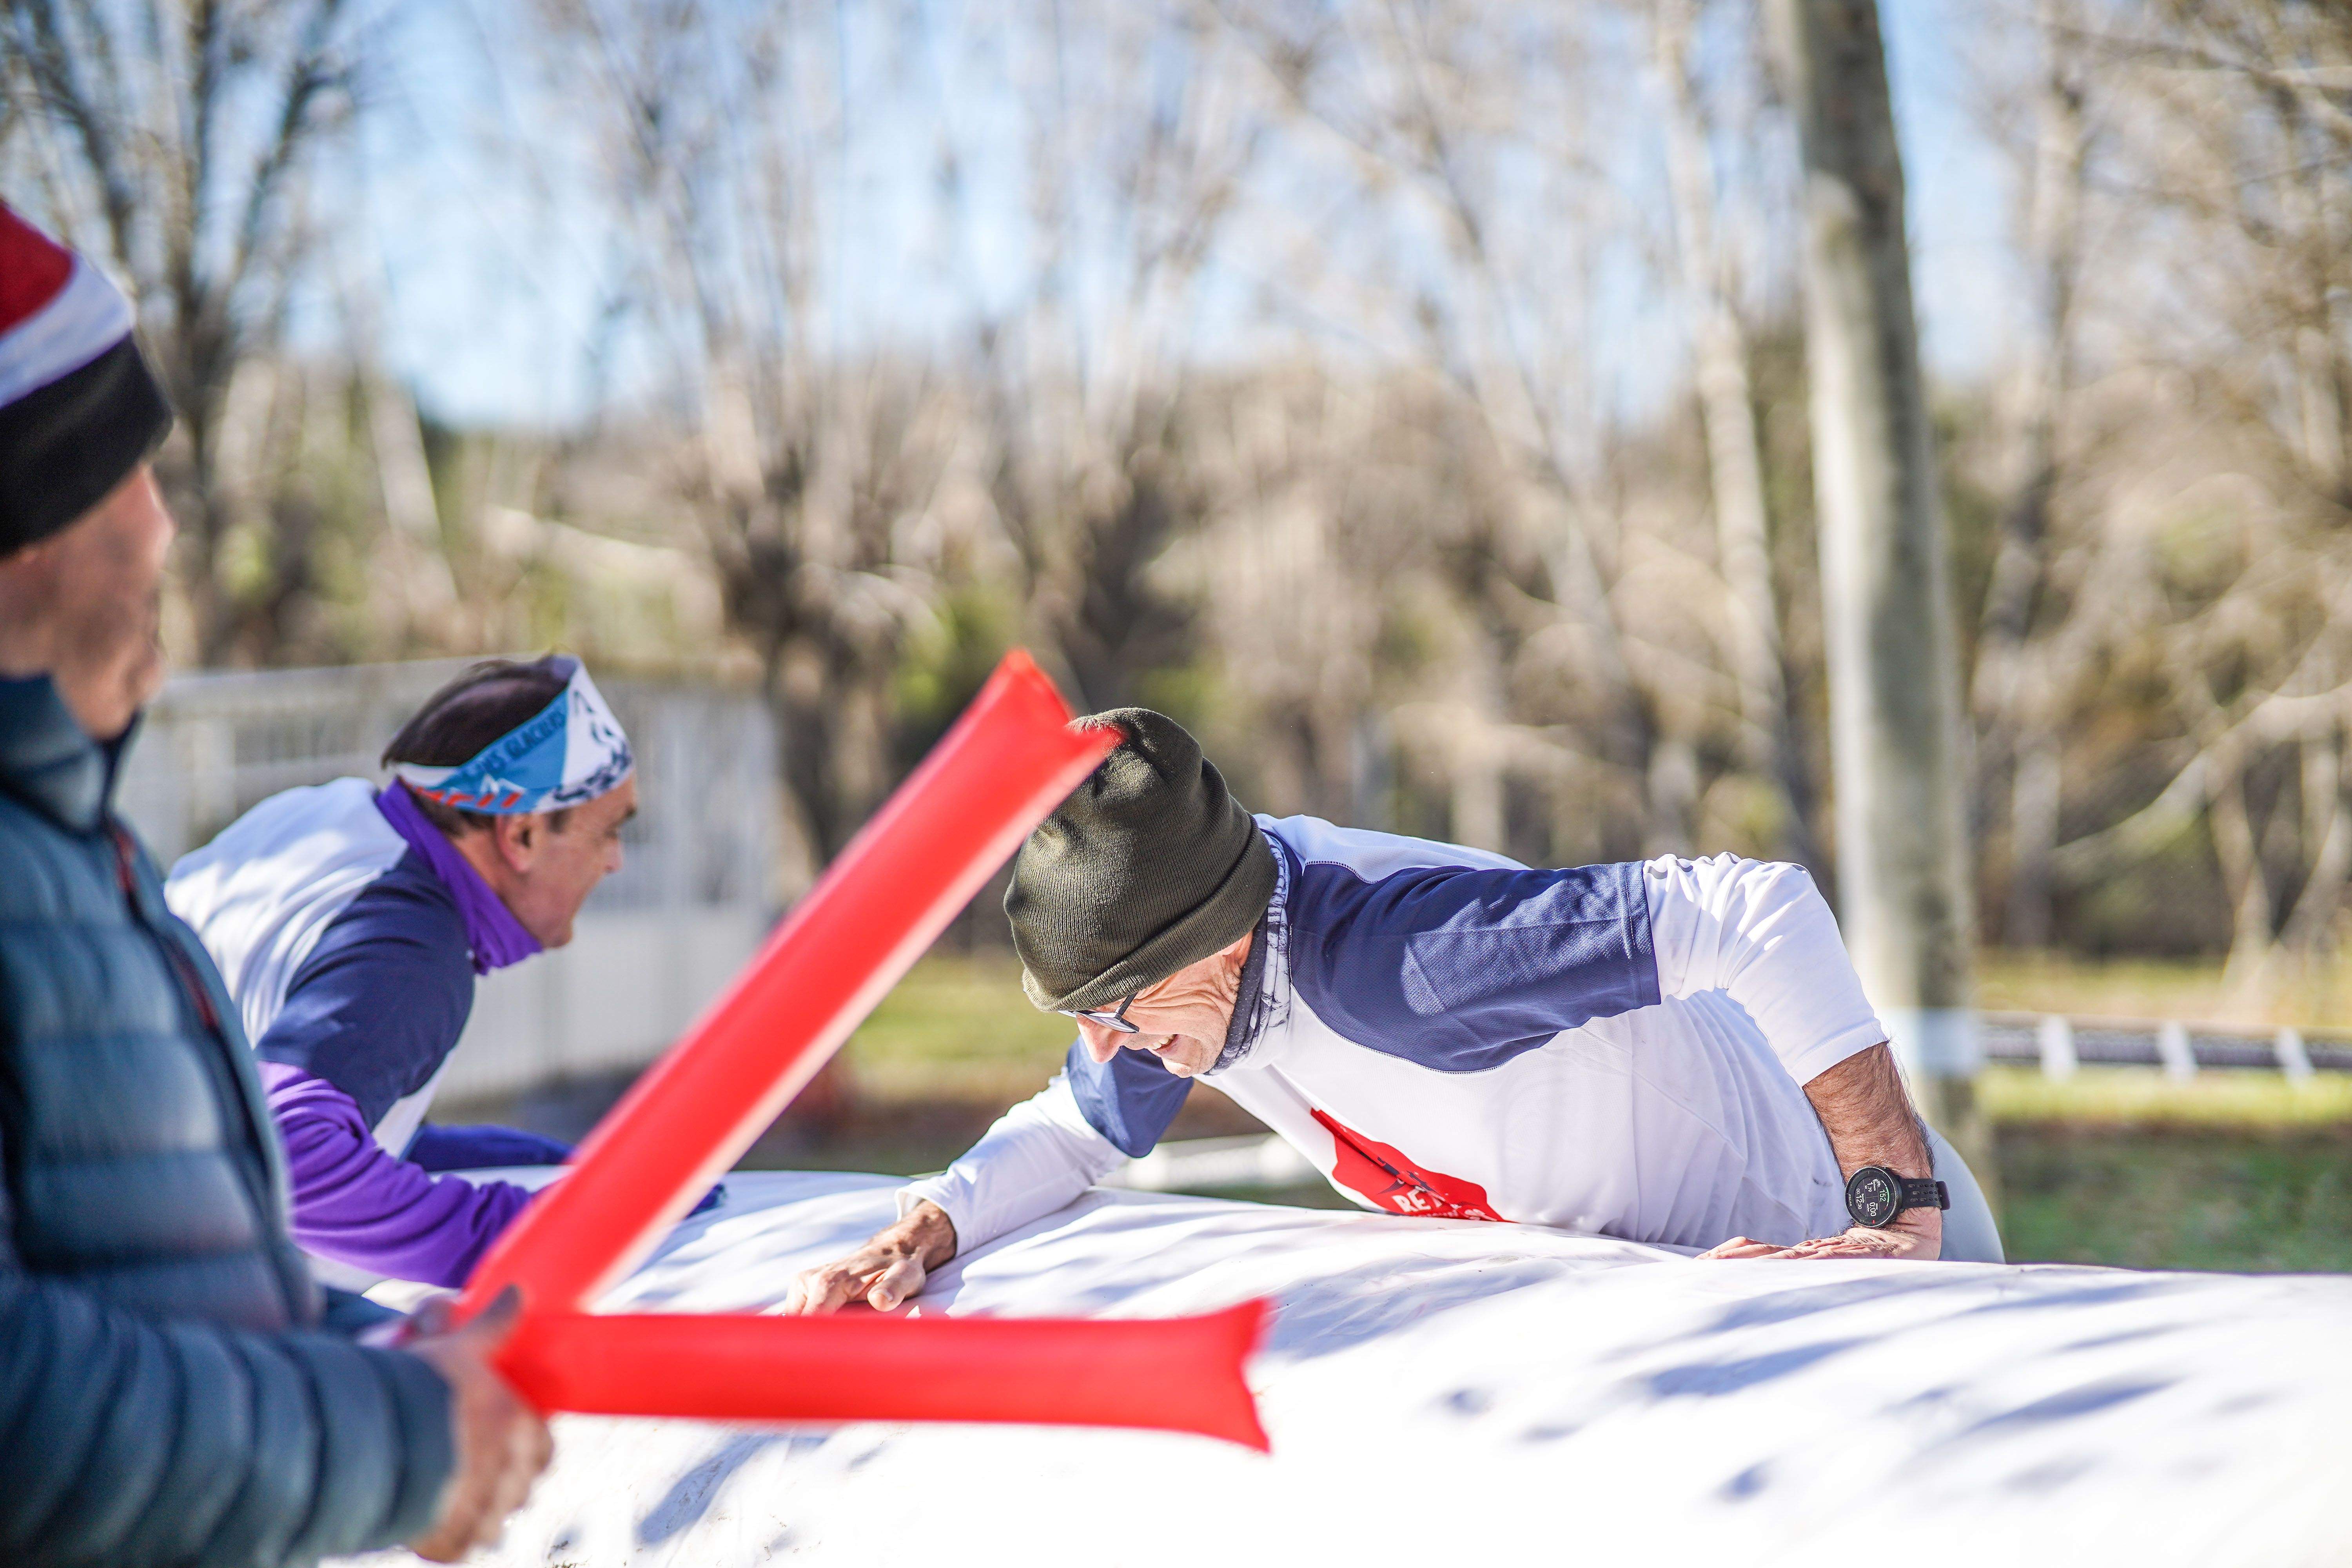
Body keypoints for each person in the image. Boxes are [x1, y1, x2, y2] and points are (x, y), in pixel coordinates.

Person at [0, 201, 547, 1564]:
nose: (169, 531)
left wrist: (383, 1368)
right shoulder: (405, 937)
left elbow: (175, 1268)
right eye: (130, 476)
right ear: (27, 534)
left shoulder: (75, 853)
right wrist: (399, 1440)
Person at [788, 707, 2004, 1316]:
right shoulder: (1205, 978)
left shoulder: (1406, 964)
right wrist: (929, 1226)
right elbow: (1080, 1128)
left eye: (1120, 1008)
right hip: (1693, 1289)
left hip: (1867, 1267)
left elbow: (1759, 909)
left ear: (1210, 945)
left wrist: (1894, 1207)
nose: (1107, 1043)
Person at [166, 655, 671, 1290]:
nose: (617, 862)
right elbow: (290, 1156)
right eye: (609, 832)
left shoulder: (318, 818)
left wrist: (550, 1165)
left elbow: (272, 1103)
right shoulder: (414, 945)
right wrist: (545, 1233)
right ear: (521, 836)